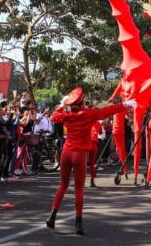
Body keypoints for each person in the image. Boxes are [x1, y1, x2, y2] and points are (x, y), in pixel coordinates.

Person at [46, 87, 135, 235]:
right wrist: (125, 104)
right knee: (79, 188)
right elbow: (107, 111)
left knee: (63, 185)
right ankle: (78, 223)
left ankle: (52, 217)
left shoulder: (66, 115)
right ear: (82, 103)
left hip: (66, 153)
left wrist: (62, 105)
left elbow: (53, 117)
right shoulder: (88, 114)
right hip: (80, 154)